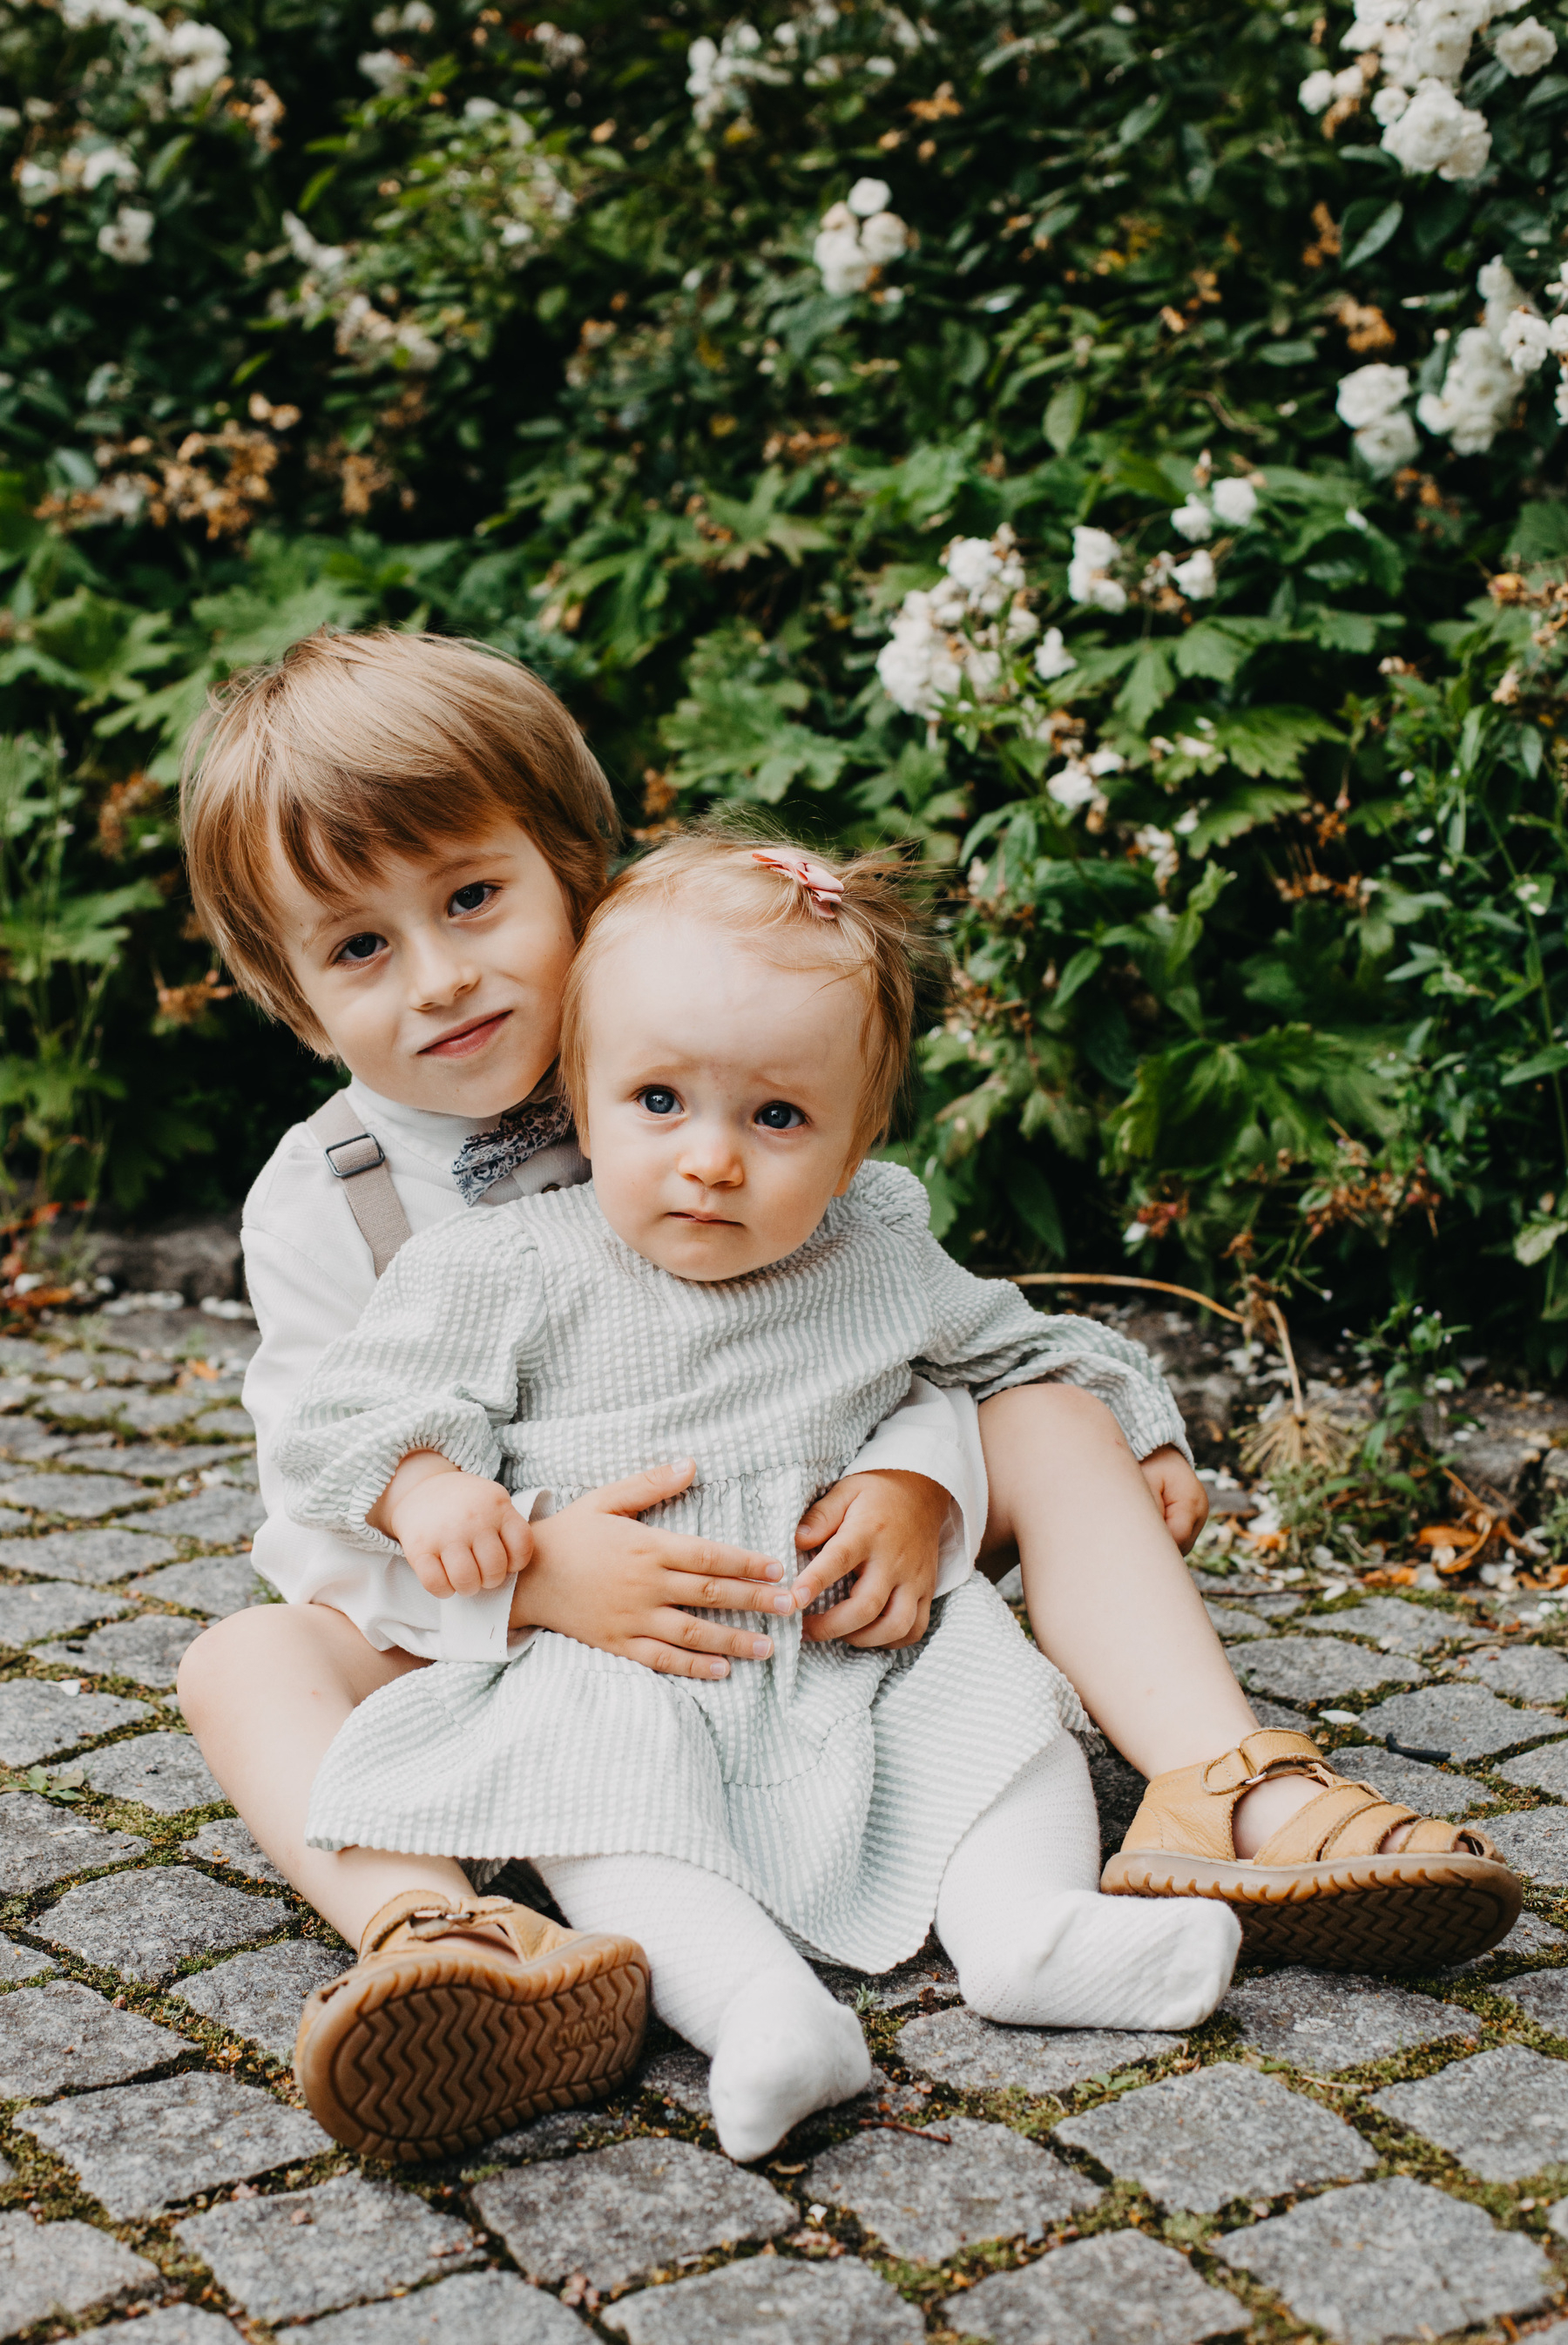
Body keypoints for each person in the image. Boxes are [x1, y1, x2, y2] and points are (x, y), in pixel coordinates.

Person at [174, 629, 1516, 2160]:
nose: (442, 978)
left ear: (575, 878)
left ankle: (1227, 1784)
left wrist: (919, 1482)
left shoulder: (725, 1027)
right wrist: (533, 1573)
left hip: (807, 1550)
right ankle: (440, 1933)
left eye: (474, 898)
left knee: (1046, 1419)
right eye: (359, 949)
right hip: (508, 1624)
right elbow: (316, 1493)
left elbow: (906, 1322)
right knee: (242, 1662)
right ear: (290, 997)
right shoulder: (324, 1200)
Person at [276, 832, 1255, 2162]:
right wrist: (427, 1486)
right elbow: (358, 1408)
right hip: (626, 1654)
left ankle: (1032, 1931)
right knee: (603, 1811)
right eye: (659, 1103)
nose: (713, 1161)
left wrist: (1144, 1438)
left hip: (852, 1636)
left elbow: (1036, 1348)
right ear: (584, 1090)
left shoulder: (872, 1248)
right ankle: (761, 2015)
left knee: (993, 1713)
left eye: (777, 1119)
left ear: (854, 1150)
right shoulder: (507, 1263)